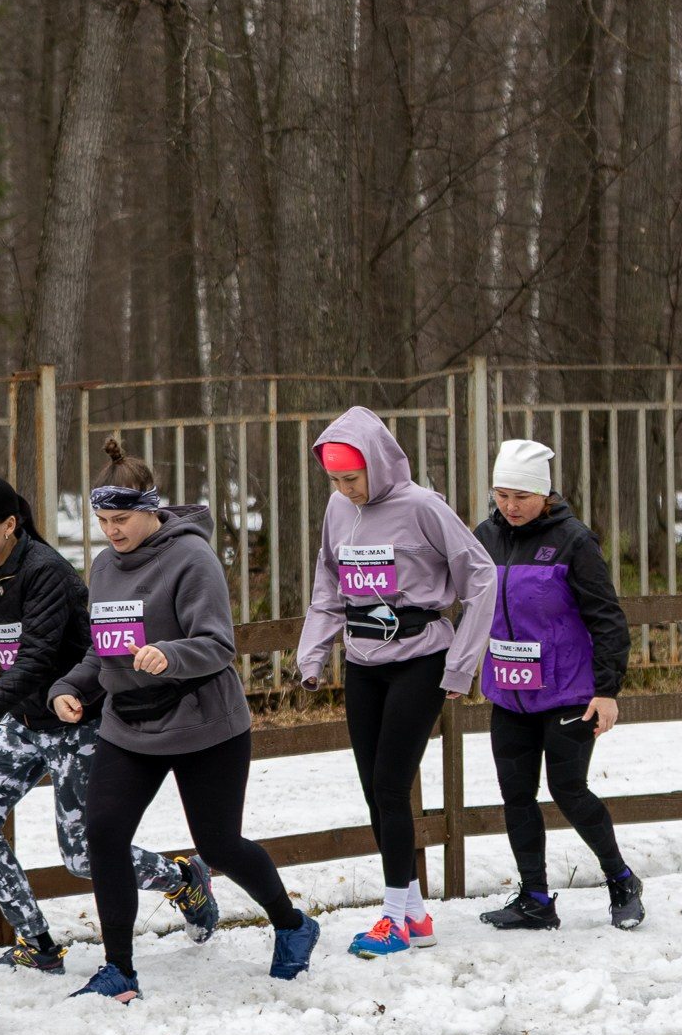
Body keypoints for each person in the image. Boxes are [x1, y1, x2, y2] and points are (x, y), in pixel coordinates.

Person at [49, 437, 319, 1001]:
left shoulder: (192, 559)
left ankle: (293, 925)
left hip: (205, 726)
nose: (111, 531)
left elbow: (218, 645)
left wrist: (171, 654)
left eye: (121, 518)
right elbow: (104, 651)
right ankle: (119, 970)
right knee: (102, 834)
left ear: (150, 508)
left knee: (218, 845)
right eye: (102, 520)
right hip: (129, 724)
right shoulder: (103, 567)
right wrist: (70, 687)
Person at [0, 472, 220, 973]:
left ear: (10, 525)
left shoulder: (45, 572)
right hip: (26, 722)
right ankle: (37, 944)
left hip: (76, 724)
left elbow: (39, 658)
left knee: (85, 857)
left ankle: (183, 878)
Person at [294, 409, 497, 959]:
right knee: (374, 790)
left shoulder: (423, 507)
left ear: (377, 464)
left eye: (352, 479)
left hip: (421, 658)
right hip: (363, 660)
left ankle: (391, 920)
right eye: (335, 481)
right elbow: (329, 581)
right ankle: (415, 916)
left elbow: (481, 575)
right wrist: (313, 653)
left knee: (390, 785)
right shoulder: (339, 509)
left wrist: (461, 665)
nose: (345, 490)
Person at [470, 439, 645, 932]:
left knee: (568, 790)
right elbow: (468, 603)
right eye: (503, 495)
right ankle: (535, 899)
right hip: (509, 692)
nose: (511, 506)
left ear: (544, 495)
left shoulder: (573, 541)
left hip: (569, 691)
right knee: (517, 795)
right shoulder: (485, 537)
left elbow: (607, 618)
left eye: (522, 496)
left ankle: (621, 881)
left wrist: (607, 689)